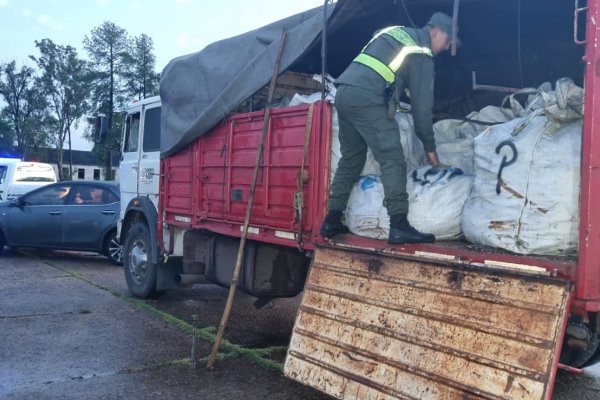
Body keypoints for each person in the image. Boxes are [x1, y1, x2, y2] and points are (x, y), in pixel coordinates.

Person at [320, 12, 459, 244]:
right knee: (392, 157)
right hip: (367, 97)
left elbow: (384, 60)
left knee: (351, 158)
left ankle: (331, 221)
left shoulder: (394, 32)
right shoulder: (422, 51)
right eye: (447, 42)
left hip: (344, 92)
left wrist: (395, 87)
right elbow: (422, 107)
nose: (446, 48)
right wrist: (430, 148)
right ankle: (399, 226)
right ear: (436, 32)